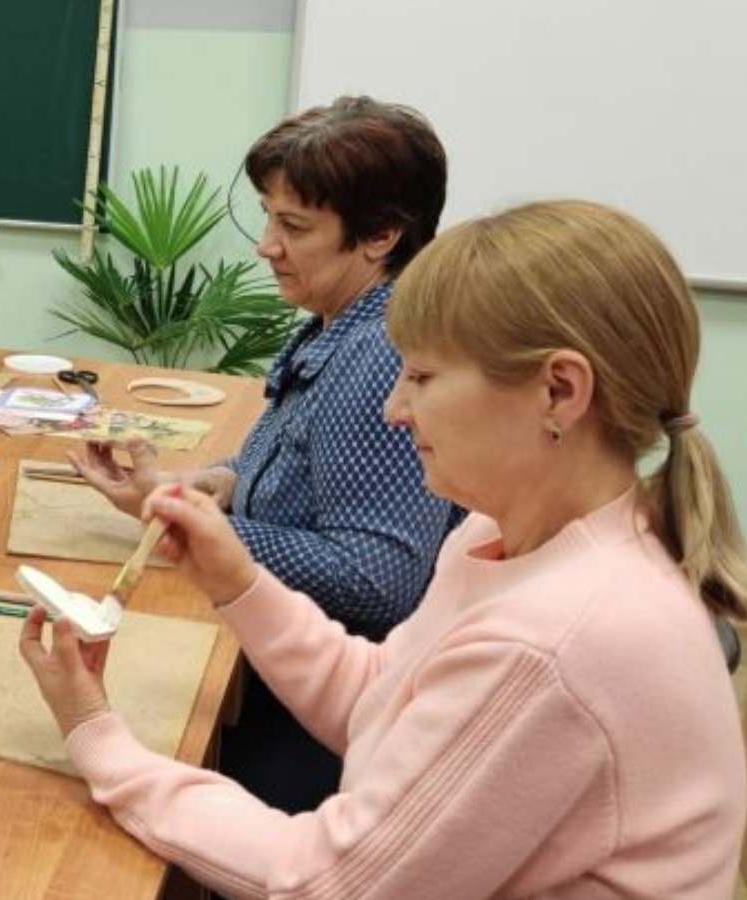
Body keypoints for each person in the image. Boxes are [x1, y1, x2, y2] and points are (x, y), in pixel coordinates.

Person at [23, 200, 747, 898]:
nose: (394, 409)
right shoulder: (499, 533)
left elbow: (322, 882)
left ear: (559, 392)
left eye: (423, 378)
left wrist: (98, 738)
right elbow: (381, 702)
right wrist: (237, 581)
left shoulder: (556, 640)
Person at [70, 96, 459, 812]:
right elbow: (289, 464)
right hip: (290, 669)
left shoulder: (380, 355)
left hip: (316, 713)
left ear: (380, 235)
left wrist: (205, 530)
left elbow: (376, 579)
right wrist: (200, 485)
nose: (266, 245)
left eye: (294, 226)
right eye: (268, 217)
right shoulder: (337, 321)